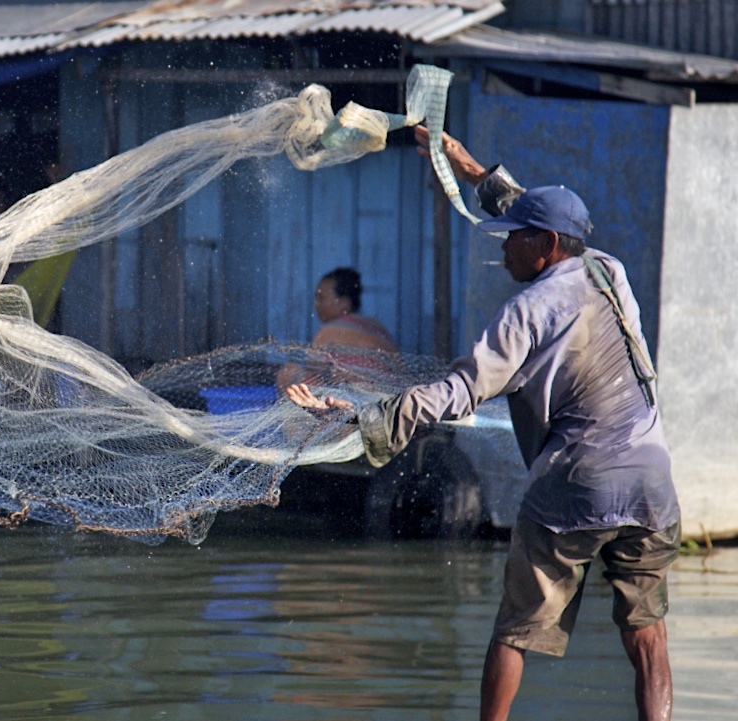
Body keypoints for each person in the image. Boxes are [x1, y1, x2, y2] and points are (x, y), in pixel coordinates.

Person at [288, 129, 681, 721]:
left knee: (513, 631)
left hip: (576, 482)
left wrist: (362, 419)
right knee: (647, 634)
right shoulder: (608, 270)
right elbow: (543, 214)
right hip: (653, 481)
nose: (503, 250)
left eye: (513, 241)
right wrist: (474, 174)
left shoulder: (527, 311)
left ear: (545, 246)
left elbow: (459, 392)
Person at [276, 267, 398, 390]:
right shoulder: (376, 326)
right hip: (385, 400)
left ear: (344, 303)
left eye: (321, 298)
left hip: (351, 400)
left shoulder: (330, 331)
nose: (316, 304)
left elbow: (314, 372)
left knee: (288, 371)